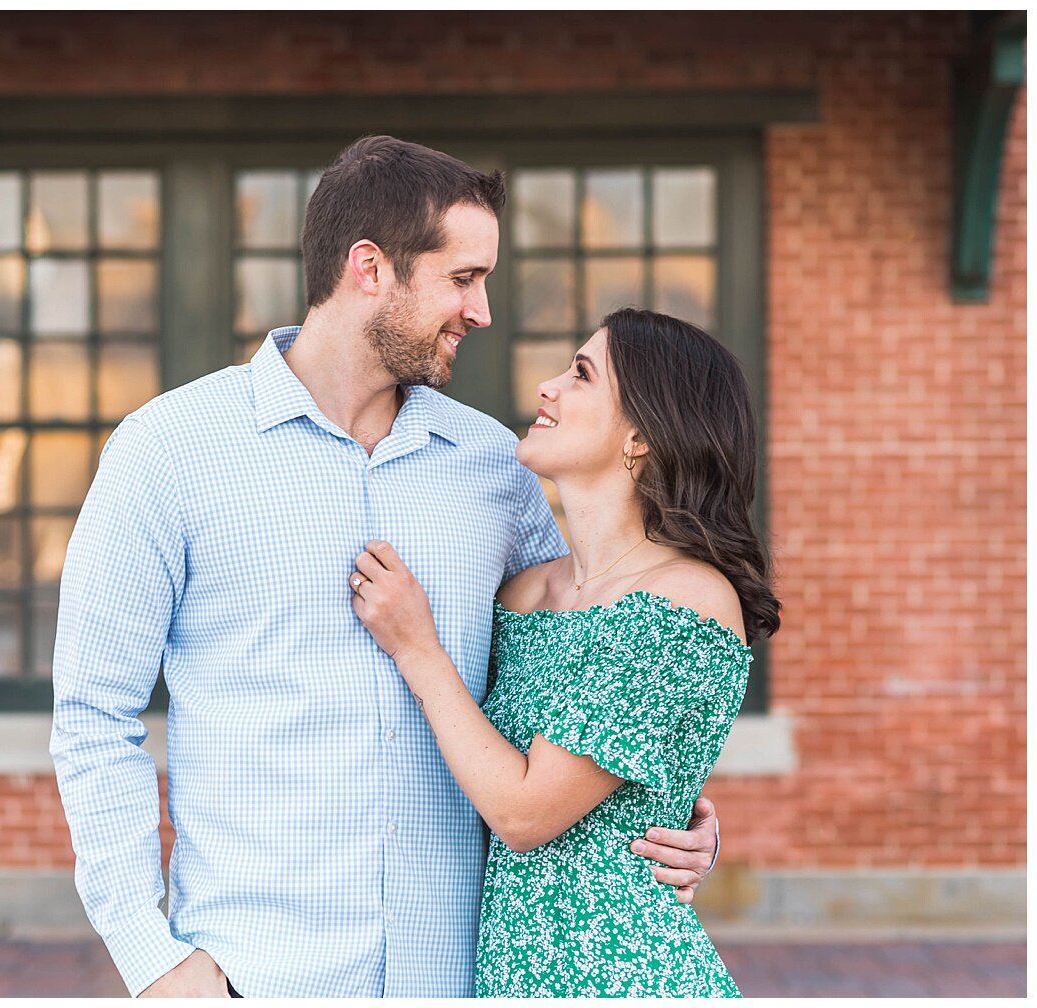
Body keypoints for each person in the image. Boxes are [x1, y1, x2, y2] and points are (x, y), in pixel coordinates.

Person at [50, 137, 722, 999]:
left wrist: (670, 809)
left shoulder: (493, 467)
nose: (481, 311)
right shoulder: (168, 452)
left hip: (459, 977)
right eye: (462, 278)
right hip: (257, 976)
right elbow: (92, 717)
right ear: (371, 268)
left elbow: (584, 676)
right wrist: (150, 958)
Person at [349, 307, 781, 997]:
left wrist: (416, 645)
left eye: (581, 374)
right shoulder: (524, 590)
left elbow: (525, 814)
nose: (547, 386)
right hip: (505, 974)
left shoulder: (685, 603)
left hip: (621, 975)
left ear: (641, 434)